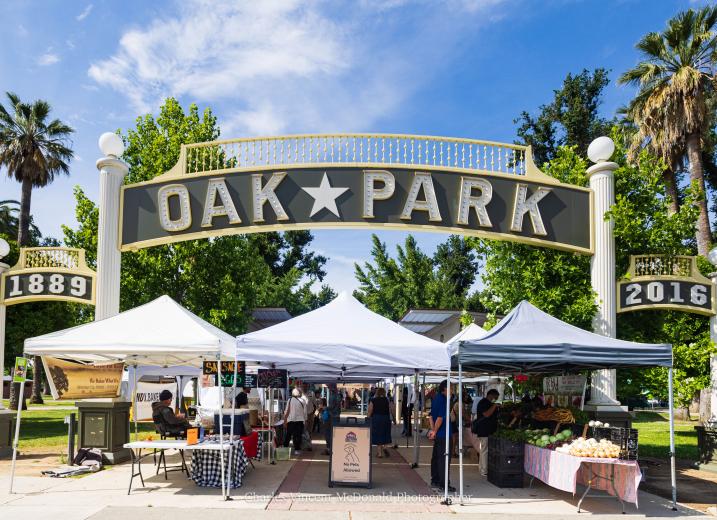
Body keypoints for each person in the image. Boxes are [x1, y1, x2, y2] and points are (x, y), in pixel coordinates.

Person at [428, 380, 454, 492]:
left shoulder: (436, 399)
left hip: (439, 434)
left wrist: (433, 430)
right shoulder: (444, 401)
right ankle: (444, 484)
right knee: (444, 459)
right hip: (444, 434)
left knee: (436, 458)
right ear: (444, 389)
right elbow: (439, 418)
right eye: (451, 388)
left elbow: (430, 416)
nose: (452, 391)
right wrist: (434, 431)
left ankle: (435, 480)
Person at [472, 388, 500, 476]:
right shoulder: (483, 403)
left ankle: (483, 468)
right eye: (495, 397)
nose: (495, 399)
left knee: (484, 450)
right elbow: (486, 414)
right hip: (484, 431)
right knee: (484, 450)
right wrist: (495, 406)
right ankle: (483, 470)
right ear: (491, 395)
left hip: (488, 430)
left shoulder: (489, 403)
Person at [367, 387, 393, 458]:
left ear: (377, 393)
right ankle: (385, 447)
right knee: (385, 433)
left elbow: (370, 410)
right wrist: (394, 418)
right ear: (384, 393)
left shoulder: (373, 400)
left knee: (378, 434)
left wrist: (367, 418)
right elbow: (391, 409)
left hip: (376, 418)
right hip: (386, 418)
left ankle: (379, 453)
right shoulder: (387, 400)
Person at [283, 387, 306, 456]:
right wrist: (305, 421)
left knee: (288, 435)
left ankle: (285, 448)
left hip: (291, 421)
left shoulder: (290, 400)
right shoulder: (303, 401)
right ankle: (297, 450)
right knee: (298, 435)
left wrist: (285, 420)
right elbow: (305, 412)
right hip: (300, 421)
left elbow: (286, 411)